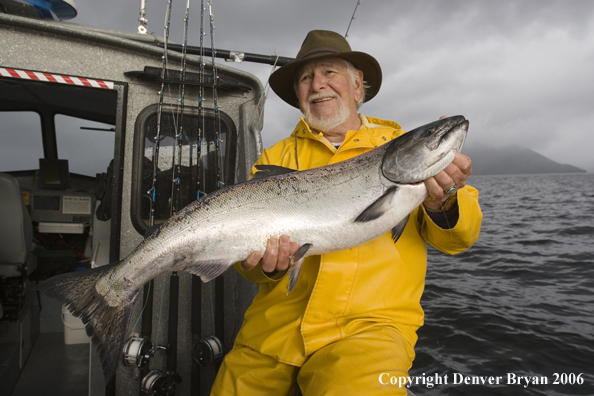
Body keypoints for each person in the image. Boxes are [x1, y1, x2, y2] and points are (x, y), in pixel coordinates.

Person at [211, 30, 482, 395]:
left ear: (358, 88)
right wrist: (266, 267)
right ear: (298, 96)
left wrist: (443, 201)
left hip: (368, 332)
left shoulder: (402, 146)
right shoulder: (275, 158)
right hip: (270, 334)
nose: (317, 84)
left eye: (329, 73)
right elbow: (254, 269)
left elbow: (460, 240)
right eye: (305, 78)